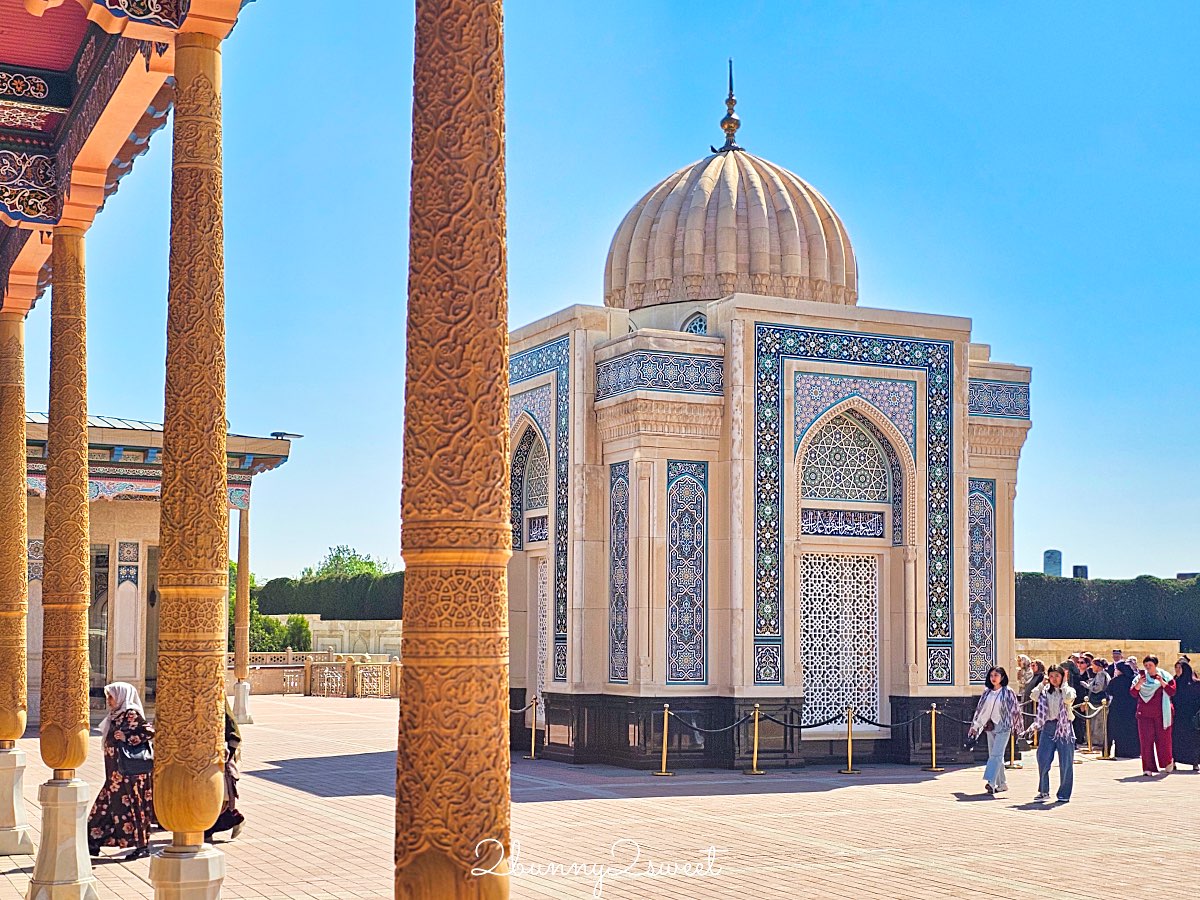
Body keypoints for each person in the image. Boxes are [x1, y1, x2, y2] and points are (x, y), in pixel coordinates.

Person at [87, 682, 155, 859]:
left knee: (134, 807)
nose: (109, 700)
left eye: (111, 696)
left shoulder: (131, 714)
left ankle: (142, 846)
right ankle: (92, 843)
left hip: (131, 775)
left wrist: (128, 738)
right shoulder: (115, 715)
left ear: (121, 696)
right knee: (104, 808)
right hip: (115, 775)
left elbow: (149, 732)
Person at [967, 666, 1024, 795]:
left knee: (996, 755)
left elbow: (1015, 710)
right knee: (996, 755)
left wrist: (1018, 727)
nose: (993, 678)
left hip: (1003, 726)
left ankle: (991, 782)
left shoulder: (1008, 692)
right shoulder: (987, 692)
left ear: (1002, 677)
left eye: (996, 675)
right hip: (990, 726)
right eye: (992, 675)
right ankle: (1002, 784)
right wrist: (976, 726)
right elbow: (982, 711)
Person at [1026, 664, 1076, 802]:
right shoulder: (1045, 691)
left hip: (1064, 728)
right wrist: (1042, 684)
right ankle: (1043, 791)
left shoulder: (1068, 690)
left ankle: (1064, 794)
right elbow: (1033, 696)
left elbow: (1067, 699)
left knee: (1066, 762)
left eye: (1057, 676)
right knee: (1042, 758)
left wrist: (1064, 684)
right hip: (1048, 726)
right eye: (1051, 676)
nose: (1054, 679)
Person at [205, 699, 245, 843]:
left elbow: (233, 731)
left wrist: (228, 756)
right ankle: (207, 832)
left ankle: (234, 819)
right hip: (201, 755)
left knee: (216, 797)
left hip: (218, 756)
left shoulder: (217, 698)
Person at [1131, 655, 1176, 776]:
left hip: (1162, 714)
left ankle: (1167, 762)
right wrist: (1139, 683)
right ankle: (1148, 768)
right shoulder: (1139, 678)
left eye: (1150, 665)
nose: (1148, 667)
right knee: (1146, 741)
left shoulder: (1166, 676)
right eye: (1145, 665)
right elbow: (1133, 693)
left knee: (1164, 740)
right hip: (1144, 714)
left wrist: (1161, 682)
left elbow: (1172, 691)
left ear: (1155, 665)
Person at [1105, 659, 1139, 758]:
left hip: (1117, 708)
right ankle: (1133, 752)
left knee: (1116, 730)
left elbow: (1109, 691)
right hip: (1132, 707)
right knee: (1131, 729)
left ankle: (1114, 751)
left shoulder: (1115, 681)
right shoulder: (1134, 679)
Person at [1170, 661, 1200, 772]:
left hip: (1192, 717)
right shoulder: (1174, 683)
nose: (1177, 670)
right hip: (1178, 717)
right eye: (1176, 667)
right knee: (1177, 740)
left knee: (1194, 741)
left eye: (1180, 667)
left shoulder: (1196, 684)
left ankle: (1195, 762)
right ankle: (1174, 761)